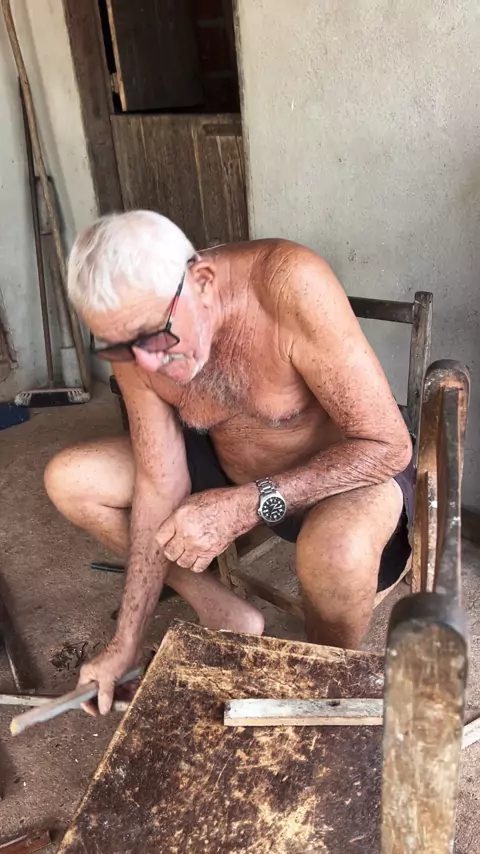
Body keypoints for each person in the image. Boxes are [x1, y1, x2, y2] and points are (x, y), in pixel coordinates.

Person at [44, 211, 413, 715]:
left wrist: (246, 504)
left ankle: (320, 687)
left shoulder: (288, 284)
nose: (146, 363)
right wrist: (124, 643)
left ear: (202, 281)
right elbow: (158, 481)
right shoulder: (140, 346)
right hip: (228, 463)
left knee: (338, 552)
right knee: (72, 479)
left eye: (153, 336)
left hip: (341, 472)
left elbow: (387, 445)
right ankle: (222, 609)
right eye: (120, 347)